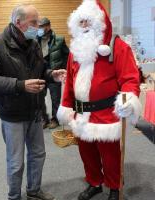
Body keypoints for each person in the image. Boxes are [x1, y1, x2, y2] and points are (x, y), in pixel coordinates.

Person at [0, 4, 66, 200]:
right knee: (16, 162)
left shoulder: (33, 44)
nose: (39, 26)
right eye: (34, 22)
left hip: (35, 110)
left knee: (38, 155)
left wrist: (52, 74)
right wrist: (20, 85)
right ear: (18, 23)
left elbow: (40, 70)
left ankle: (34, 191)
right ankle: (14, 196)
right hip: (12, 114)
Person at [57, 0, 141, 200]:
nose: (84, 26)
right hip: (81, 113)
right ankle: (94, 182)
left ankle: (114, 186)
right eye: (81, 22)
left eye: (88, 21)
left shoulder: (118, 46)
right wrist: (66, 106)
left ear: (100, 22)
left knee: (110, 156)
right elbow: (70, 81)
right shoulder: (75, 50)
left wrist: (127, 99)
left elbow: (130, 78)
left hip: (106, 114)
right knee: (87, 154)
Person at [37, 17, 69, 129]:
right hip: (40, 73)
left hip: (54, 73)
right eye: (38, 26)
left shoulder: (59, 39)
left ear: (48, 26)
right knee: (39, 97)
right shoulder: (35, 40)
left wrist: (64, 70)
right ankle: (44, 118)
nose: (40, 29)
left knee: (55, 98)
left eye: (42, 26)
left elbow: (67, 56)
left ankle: (55, 119)